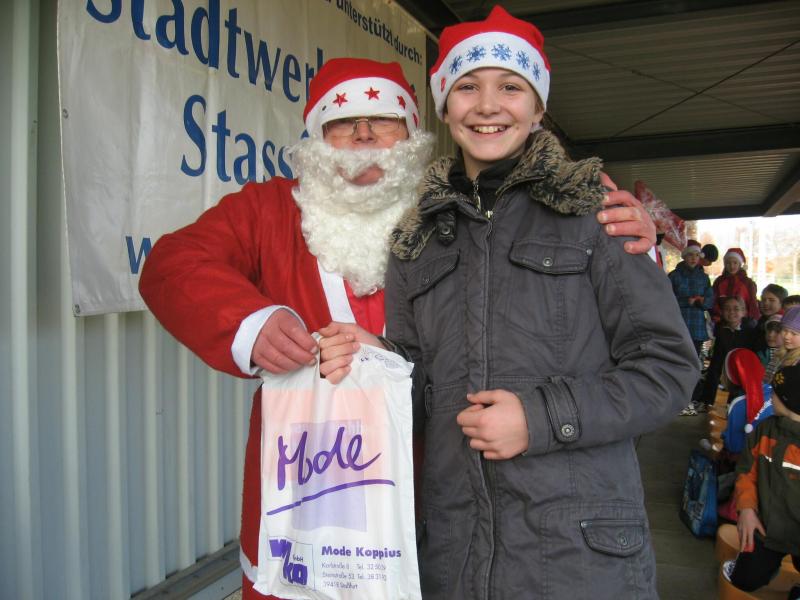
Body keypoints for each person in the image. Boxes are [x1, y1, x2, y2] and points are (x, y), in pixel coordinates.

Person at [138, 56, 656, 599]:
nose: (363, 134)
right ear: (316, 136)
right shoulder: (268, 209)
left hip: (438, 486)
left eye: (383, 119)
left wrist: (623, 230)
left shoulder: (460, 208)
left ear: (411, 132)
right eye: (342, 121)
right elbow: (172, 265)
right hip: (307, 489)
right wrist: (250, 323)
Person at [322, 7, 697, 597]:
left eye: (511, 87)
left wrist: (540, 419)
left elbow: (669, 369)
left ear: (539, 107)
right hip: (456, 555)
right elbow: (419, 387)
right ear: (446, 107)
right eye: (467, 87)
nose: (488, 105)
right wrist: (378, 360)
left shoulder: (596, 214)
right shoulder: (417, 239)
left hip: (579, 560)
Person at [724, 306, 800, 599]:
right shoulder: (765, 431)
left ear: (788, 400)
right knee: (744, 579)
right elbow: (747, 471)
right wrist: (746, 509)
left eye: (775, 393)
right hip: (767, 526)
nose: (769, 394)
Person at [669, 239, 714, 415]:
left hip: (696, 327)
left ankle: (690, 399)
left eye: (696, 255)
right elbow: (666, 299)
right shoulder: (674, 276)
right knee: (677, 362)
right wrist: (685, 301)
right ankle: (676, 398)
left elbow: (710, 300)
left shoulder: (704, 277)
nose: (694, 258)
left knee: (694, 363)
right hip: (678, 326)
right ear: (684, 256)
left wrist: (701, 302)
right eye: (690, 255)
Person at [695, 296, 756, 411]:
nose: (731, 312)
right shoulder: (720, 329)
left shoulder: (751, 330)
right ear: (722, 312)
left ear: (743, 312)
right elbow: (717, 359)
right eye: (727, 309)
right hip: (724, 372)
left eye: (736, 309)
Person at [711, 247, 759, 324]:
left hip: (743, 322)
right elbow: (714, 300)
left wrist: (752, 318)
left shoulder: (747, 283)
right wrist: (717, 315)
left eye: (735, 263)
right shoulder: (719, 282)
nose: (732, 266)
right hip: (722, 321)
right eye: (728, 263)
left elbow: (752, 302)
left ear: (740, 264)